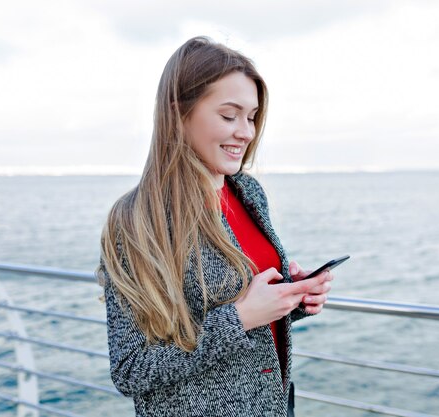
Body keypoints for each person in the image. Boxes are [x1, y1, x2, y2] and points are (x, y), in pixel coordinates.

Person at [96, 36, 334, 417]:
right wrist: (240, 319)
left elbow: (238, 310)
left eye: (252, 117)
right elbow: (131, 370)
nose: (247, 132)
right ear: (178, 113)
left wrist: (289, 301)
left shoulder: (249, 193)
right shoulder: (136, 220)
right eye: (229, 115)